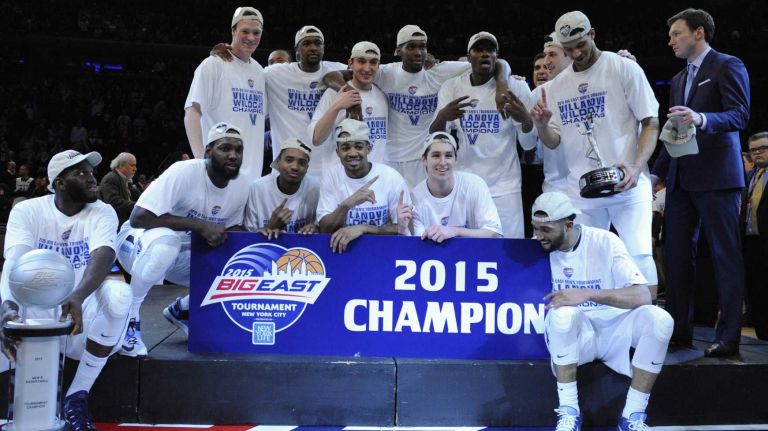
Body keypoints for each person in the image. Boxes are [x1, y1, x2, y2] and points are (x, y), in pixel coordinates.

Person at [531, 11, 660, 298]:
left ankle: (647, 324)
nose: (576, 53)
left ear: (592, 34)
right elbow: (553, 142)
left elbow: (651, 122)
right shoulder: (556, 87)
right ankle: (594, 328)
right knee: (585, 259)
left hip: (628, 183)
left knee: (639, 255)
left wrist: (637, 167)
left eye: (581, 44)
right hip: (582, 188)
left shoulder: (623, 68)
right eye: (569, 49)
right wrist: (541, 126)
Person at [1, 150, 132, 431]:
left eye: (91, 172)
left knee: (121, 295)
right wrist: (8, 310)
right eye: (82, 173)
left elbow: (104, 255)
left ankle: (76, 395)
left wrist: (77, 296)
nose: (92, 178)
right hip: (31, 313)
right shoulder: (27, 210)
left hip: (77, 314)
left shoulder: (102, 210)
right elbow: (13, 264)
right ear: (59, 183)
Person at [651, 8, 750, 357]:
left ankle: (729, 336)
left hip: (718, 178)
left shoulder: (727, 65)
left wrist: (702, 118)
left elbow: (740, 114)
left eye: (677, 33)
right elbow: (674, 133)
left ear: (698, 33)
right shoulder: (678, 80)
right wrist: (655, 174)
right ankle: (679, 331)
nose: (671, 41)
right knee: (677, 258)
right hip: (680, 181)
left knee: (725, 256)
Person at [531, 191, 673, 431]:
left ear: (568, 224)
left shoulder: (605, 241)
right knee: (563, 314)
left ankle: (632, 416)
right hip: (576, 336)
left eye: (546, 230)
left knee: (661, 320)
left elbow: (643, 295)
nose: (539, 236)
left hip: (614, 329)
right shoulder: (534, 250)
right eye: (535, 228)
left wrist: (587, 294)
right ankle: (568, 413)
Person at [114, 123, 251, 356]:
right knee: (168, 243)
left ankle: (184, 310)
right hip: (135, 244)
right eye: (225, 148)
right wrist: (199, 225)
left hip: (181, 254)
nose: (233, 155)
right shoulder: (184, 171)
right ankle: (129, 321)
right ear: (208, 151)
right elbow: (138, 217)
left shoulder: (241, 186)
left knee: (240, 260)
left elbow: (232, 228)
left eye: (238, 150)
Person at [323, 25, 514, 188]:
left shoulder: (440, 71)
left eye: (422, 47)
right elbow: (330, 77)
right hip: (390, 159)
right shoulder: (385, 73)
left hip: (425, 159)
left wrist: (502, 84)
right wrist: (352, 97)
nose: (418, 52)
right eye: (411, 47)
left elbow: (497, 62)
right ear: (398, 51)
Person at [430, 31, 534, 238]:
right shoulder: (452, 87)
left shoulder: (517, 87)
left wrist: (525, 119)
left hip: (505, 187)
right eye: (478, 50)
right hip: (465, 184)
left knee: (509, 249)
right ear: (469, 57)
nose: (485, 54)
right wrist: (443, 117)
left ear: (497, 56)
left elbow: (530, 145)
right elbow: (435, 138)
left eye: (490, 50)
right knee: (468, 253)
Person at [184, 6, 266, 181]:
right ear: (233, 30)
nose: (251, 37)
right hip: (217, 175)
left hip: (252, 180)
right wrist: (201, 161)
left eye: (256, 32)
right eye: (245, 31)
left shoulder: (260, 72)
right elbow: (192, 113)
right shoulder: (213, 65)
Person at [317, 119, 409, 253]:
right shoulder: (331, 176)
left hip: (383, 252)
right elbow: (324, 229)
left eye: (359, 147)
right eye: (345, 148)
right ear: (337, 152)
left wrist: (364, 228)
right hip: (342, 252)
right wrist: (348, 204)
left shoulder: (391, 177)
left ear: (369, 149)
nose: (352, 153)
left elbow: (405, 228)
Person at [399, 132, 502, 241]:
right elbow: (418, 245)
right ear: (424, 159)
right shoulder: (416, 197)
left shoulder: (474, 185)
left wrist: (454, 231)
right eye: (436, 155)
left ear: (455, 159)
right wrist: (403, 229)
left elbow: (494, 233)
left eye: (448, 155)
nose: (443, 162)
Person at [309, 41, 388, 174]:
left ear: (378, 66)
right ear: (350, 63)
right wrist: (337, 106)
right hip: (338, 180)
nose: (367, 68)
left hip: (373, 180)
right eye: (361, 61)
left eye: (373, 62)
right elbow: (316, 138)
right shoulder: (334, 93)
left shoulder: (382, 95)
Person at [244, 137, 320, 237]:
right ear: (278, 162)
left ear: (307, 168)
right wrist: (270, 227)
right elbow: (247, 237)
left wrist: (316, 228)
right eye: (289, 160)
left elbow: (320, 226)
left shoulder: (314, 187)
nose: (295, 167)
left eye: (301, 163)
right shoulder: (257, 188)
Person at [742, 132, 768, 340]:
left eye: (763, 148)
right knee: (756, 294)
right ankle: (762, 340)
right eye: (754, 150)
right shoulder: (750, 177)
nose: (758, 153)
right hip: (751, 244)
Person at [99, 152, 138, 227]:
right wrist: (137, 205)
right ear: (121, 165)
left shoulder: (125, 180)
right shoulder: (111, 178)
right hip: (115, 226)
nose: (135, 169)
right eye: (132, 165)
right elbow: (113, 203)